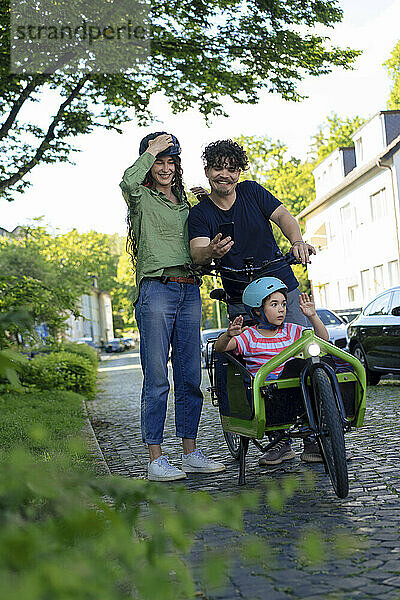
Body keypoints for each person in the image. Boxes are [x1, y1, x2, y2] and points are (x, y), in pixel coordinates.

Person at [120, 132, 225, 481]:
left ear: (177, 166)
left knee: (191, 376)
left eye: (170, 162)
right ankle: (155, 459)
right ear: (150, 163)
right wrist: (150, 150)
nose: (164, 168)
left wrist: (204, 206)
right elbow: (127, 180)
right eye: (158, 161)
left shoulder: (187, 204)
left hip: (189, 289)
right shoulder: (141, 197)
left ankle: (190, 452)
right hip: (156, 291)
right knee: (156, 378)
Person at [188, 139, 316, 328]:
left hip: (282, 287)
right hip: (241, 299)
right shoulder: (199, 213)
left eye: (231, 169)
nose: (224, 175)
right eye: (217, 169)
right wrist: (210, 251)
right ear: (207, 171)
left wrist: (297, 242)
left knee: (300, 347)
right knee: (250, 355)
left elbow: (282, 216)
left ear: (238, 173)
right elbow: (197, 251)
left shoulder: (252, 191)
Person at [214, 277, 329, 466]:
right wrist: (228, 334)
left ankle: (311, 442)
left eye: (283, 304)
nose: (282, 309)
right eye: (274, 304)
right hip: (268, 392)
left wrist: (312, 316)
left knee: (316, 363)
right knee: (293, 371)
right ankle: (281, 443)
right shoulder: (249, 336)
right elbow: (220, 348)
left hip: (296, 386)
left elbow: (323, 340)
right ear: (258, 310)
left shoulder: (292, 330)